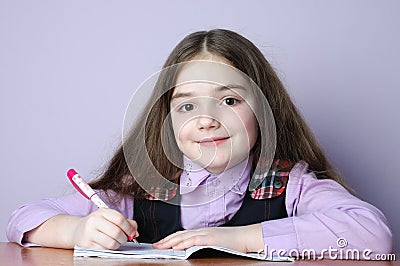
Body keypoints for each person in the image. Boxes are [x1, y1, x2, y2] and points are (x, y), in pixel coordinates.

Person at [7, 29, 393, 256]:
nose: (206, 119)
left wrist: (234, 239)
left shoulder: (290, 183)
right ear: (168, 119)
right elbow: (23, 219)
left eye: (229, 100)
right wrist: (77, 232)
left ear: (263, 109)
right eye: (187, 105)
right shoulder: (141, 186)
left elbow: (372, 233)